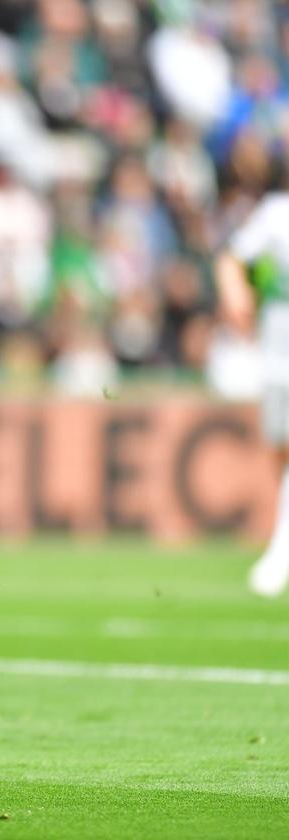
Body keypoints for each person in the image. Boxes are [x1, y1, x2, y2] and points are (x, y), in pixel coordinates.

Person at [216, 190, 289, 597]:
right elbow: (231, 258)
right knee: (280, 451)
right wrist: (235, 291)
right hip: (277, 357)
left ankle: (281, 551)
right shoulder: (277, 212)